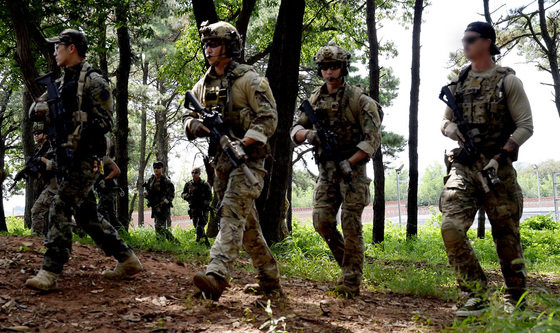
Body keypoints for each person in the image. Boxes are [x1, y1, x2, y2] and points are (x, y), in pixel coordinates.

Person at [25, 29, 142, 291]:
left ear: (72, 49)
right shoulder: (60, 83)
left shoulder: (94, 80)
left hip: (86, 159)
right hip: (65, 158)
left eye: (59, 47)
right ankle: (127, 259)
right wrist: (47, 111)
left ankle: (50, 270)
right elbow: (35, 111)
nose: (55, 52)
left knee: (60, 206)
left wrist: (78, 132)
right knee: (88, 216)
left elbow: (105, 122)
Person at [439, 22, 533, 316]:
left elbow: (525, 126)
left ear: (487, 42)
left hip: (497, 169)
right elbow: (444, 123)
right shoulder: (458, 83)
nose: (465, 44)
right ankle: (476, 294)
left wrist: (501, 154)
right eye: (463, 39)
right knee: (450, 228)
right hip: (464, 167)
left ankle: (516, 299)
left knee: (506, 237)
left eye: (471, 39)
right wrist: (454, 130)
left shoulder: (508, 82)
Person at [183, 21, 281, 301]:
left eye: (214, 43)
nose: (208, 48)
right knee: (247, 226)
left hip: (248, 162)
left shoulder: (250, 80)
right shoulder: (203, 85)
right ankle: (270, 281)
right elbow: (187, 117)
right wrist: (195, 126)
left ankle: (216, 275)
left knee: (229, 213)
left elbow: (269, 118)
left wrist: (243, 142)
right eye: (206, 44)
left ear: (230, 47)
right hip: (221, 165)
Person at [290, 42, 382, 298]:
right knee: (321, 221)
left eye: (334, 67)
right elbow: (294, 130)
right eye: (324, 67)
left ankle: (351, 281)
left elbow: (372, 139)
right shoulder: (314, 100)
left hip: (353, 171)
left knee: (351, 225)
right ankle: (348, 266)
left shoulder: (359, 100)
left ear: (343, 68)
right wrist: (309, 135)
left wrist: (350, 161)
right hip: (327, 171)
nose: (329, 72)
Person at [30, 122, 57, 237]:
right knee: (56, 215)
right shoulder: (39, 150)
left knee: (36, 210)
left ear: (46, 134)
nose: (36, 135)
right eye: (34, 134)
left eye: (39, 133)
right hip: (48, 184)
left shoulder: (52, 147)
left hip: (56, 184)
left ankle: (36, 239)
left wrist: (42, 160)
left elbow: (57, 165)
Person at [143, 161, 177, 242]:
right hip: (155, 205)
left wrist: (163, 202)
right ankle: (160, 242)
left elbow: (171, 194)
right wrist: (146, 194)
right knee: (157, 225)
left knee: (159, 225)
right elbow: (148, 191)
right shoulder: (151, 180)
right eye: (154, 168)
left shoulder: (166, 180)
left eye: (158, 168)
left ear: (162, 169)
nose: (156, 169)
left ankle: (173, 241)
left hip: (163, 206)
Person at [95, 137, 123, 230]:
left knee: (100, 211)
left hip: (109, 190)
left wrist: (105, 179)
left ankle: (109, 233)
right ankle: (121, 233)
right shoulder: (97, 159)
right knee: (110, 215)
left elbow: (117, 171)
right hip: (104, 191)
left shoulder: (105, 159)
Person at [182, 167, 212, 246]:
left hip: (203, 209)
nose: (194, 174)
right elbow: (183, 194)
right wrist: (185, 196)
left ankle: (202, 243)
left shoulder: (205, 184)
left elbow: (210, 197)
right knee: (196, 226)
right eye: (192, 172)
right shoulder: (188, 184)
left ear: (199, 173)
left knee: (200, 226)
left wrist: (204, 203)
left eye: (195, 172)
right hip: (194, 209)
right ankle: (202, 243)